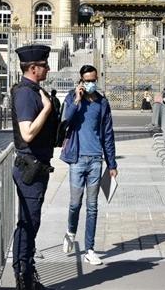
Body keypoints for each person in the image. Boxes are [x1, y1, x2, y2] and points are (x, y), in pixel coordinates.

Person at [10, 44, 60, 290]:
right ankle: (23, 276)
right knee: (29, 223)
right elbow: (27, 133)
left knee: (30, 222)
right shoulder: (26, 93)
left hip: (36, 166)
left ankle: (26, 273)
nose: (48, 68)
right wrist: (48, 109)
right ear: (33, 68)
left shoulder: (33, 90)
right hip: (30, 167)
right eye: (44, 65)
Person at [59, 65, 118, 266]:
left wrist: (112, 162)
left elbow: (108, 134)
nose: (90, 83)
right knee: (75, 203)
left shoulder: (102, 103)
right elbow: (65, 121)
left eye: (93, 80)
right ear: (80, 80)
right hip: (76, 158)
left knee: (92, 207)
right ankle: (70, 230)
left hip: (95, 160)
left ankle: (89, 249)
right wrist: (76, 100)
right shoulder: (71, 98)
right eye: (87, 80)